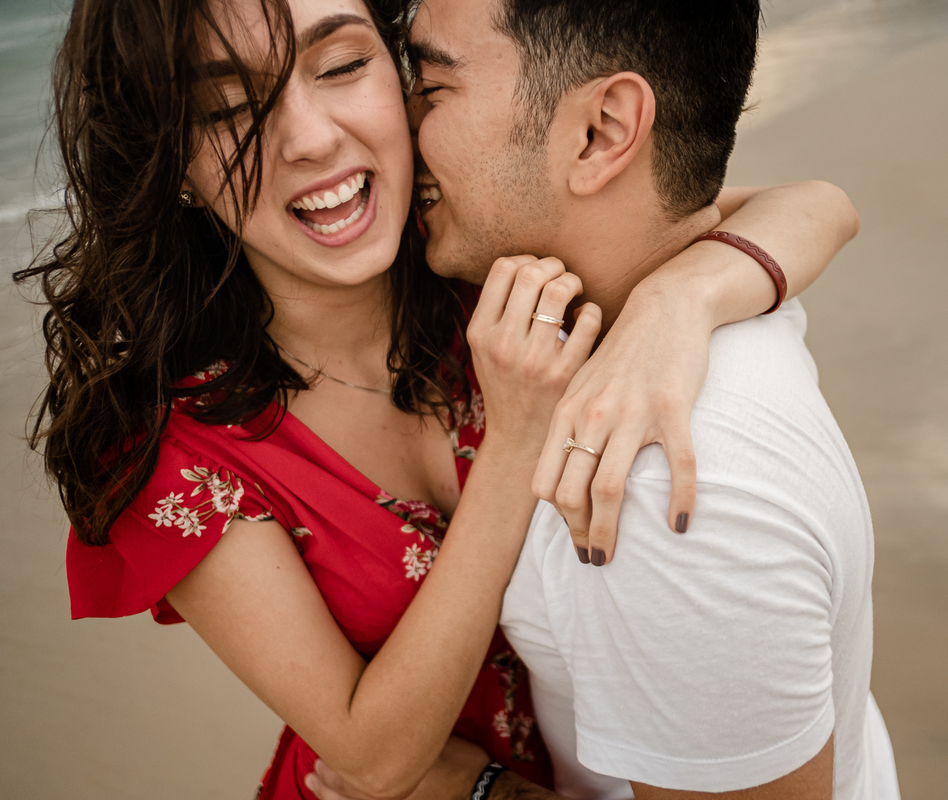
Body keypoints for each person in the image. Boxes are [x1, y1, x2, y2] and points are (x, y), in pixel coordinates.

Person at [17, 0, 859, 798]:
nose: (310, 139)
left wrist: (686, 299)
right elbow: (373, 759)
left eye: (342, 65)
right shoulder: (176, 448)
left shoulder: (472, 252)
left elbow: (813, 203)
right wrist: (517, 443)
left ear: (401, 74)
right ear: (174, 167)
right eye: (227, 110)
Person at [311, 0, 897, 798]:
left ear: (600, 133)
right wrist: (680, 299)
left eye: (434, 85)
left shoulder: (663, 491)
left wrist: (478, 793)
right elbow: (819, 201)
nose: (399, 122)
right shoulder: (681, 306)